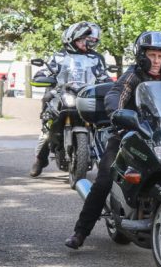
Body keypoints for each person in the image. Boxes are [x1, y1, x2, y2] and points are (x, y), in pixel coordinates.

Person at [65, 31, 161, 249]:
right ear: (142, 56)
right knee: (105, 178)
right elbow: (117, 94)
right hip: (128, 134)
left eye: (160, 57)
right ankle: (81, 232)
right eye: (152, 55)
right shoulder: (133, 75)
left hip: (158, 139)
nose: (155, 61)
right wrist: (118, 113)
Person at [30, 21, 109, 177]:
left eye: (90, 41)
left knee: (104, 128)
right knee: (46, 131)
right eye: (84, 40)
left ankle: (105, 162)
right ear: (73, 38)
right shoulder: (59, 57)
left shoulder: (96, 58)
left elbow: (103, 76)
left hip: (86, 98)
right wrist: (41, 77)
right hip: (60, 97)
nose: (87, 44)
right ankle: (40, 159)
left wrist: (108, 84)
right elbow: (45, 72)